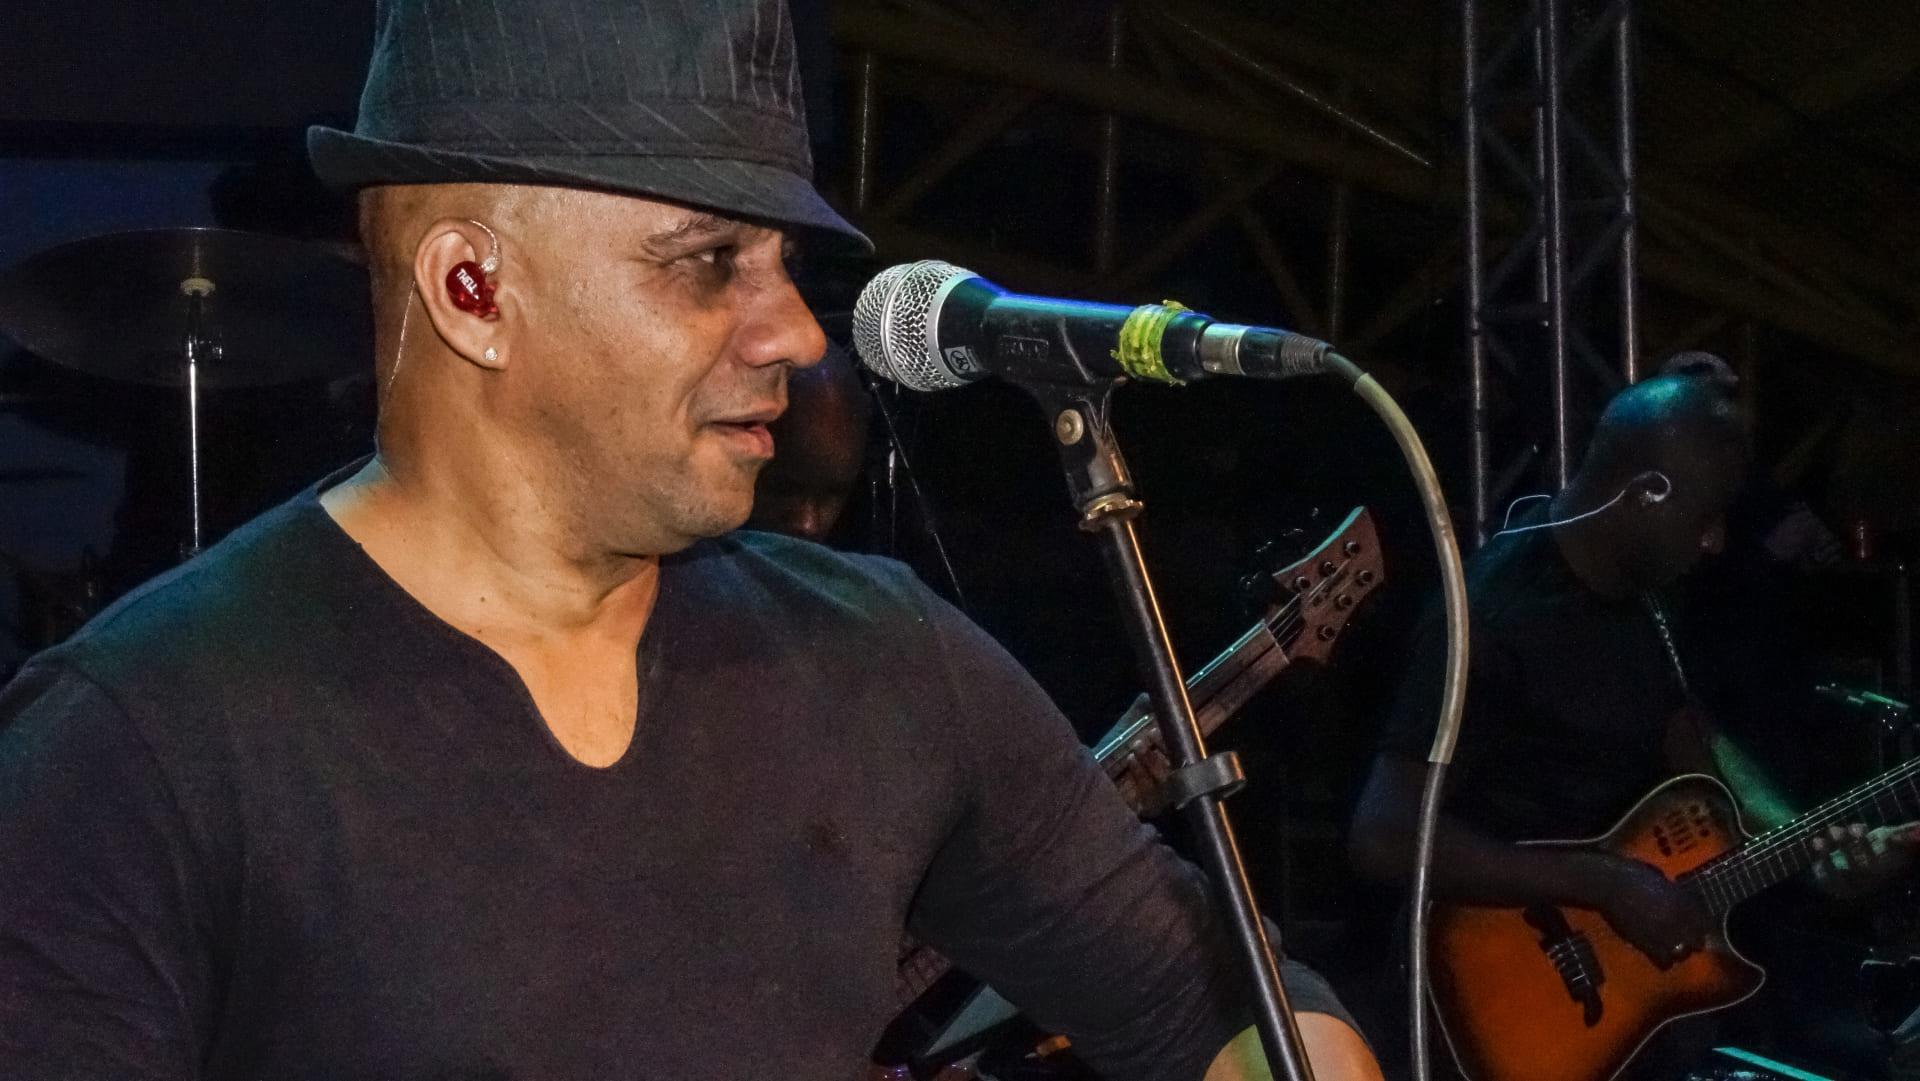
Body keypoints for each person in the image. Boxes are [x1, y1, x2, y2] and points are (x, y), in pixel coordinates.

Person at [0, 2, 1379, 1078]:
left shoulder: (885, 659)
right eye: (709, 261)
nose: (795, 334)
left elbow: (1221, 1009)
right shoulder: (139, 742)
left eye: (785, 267)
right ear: (473, 288)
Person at [1348, 363, 1916, 1076]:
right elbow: (1383, 833)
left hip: (1631, 1010)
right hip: (1507, 990)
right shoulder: (1489, 614)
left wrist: (1811, 848)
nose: (1714, 541)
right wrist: (1604, 884)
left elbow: (1694, 744)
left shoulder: (1647, 593)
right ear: (1648, 491)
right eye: (1706, 516)